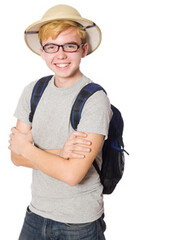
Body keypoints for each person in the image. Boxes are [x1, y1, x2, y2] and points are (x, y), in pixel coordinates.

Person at [9, 4, 111, 239]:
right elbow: (15, 157)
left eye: (70, 46)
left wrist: (27, 148)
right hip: (35, 215)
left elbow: (72, 175)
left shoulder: (95, 99)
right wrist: (60, 153)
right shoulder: (33, 91)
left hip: (79, 222)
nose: (61, 55)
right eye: (52, 47)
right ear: (42, 52)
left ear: (83, 50)